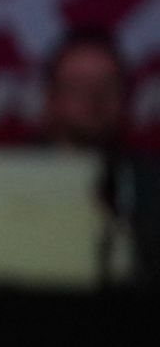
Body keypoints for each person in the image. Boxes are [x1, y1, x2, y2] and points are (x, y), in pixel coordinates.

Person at [40, 26, 160, 282]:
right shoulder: (13, 176)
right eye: (78, 85)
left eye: (108, 85)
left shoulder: (152, 184)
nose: (94, 97)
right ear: (51, 97)